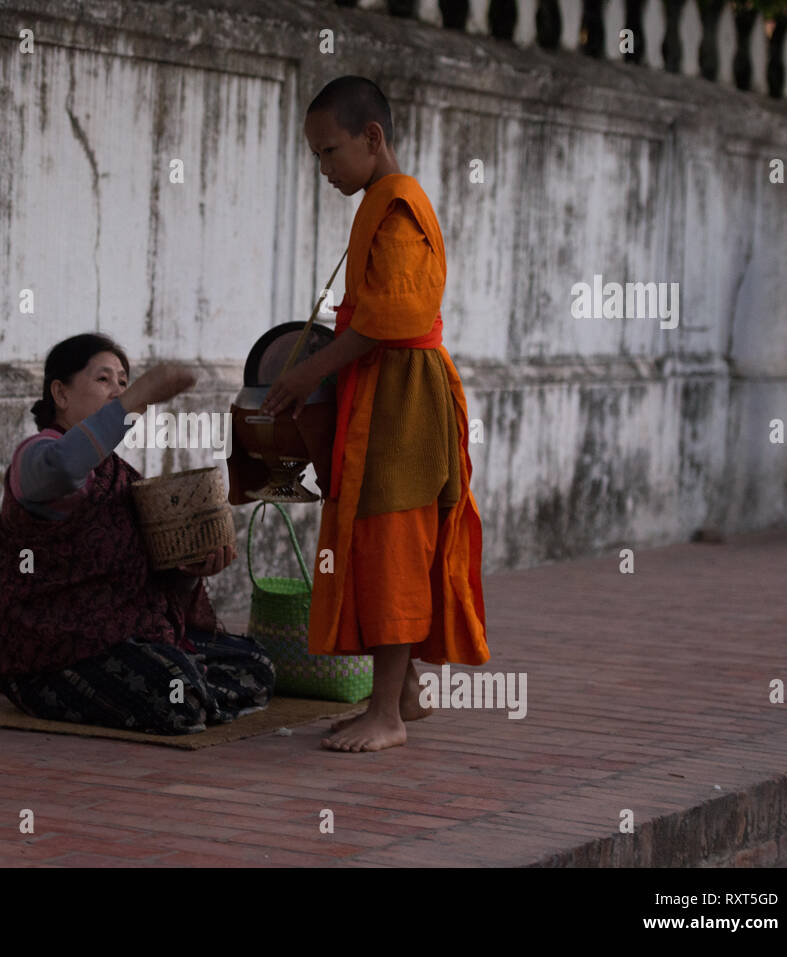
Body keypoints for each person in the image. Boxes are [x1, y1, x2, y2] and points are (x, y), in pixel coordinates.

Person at [261, 76, 488, 753]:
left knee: (394, 540)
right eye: (316, 157)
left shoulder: (399, 209)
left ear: (373, 137)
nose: (324, 169)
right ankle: (406, 693)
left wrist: (309, 370)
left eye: (330, 152)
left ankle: (384, 714)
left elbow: (398, 318)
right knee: (377, 536)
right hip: (383, 388)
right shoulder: (380, 202)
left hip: (405, 395)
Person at [0, 334, 275, 733]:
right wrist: (131, 402)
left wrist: (190, 569)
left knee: (257, 665)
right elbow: (64, 468)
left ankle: (185, 687)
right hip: (56, 651)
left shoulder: (118, 471)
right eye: (103, 379)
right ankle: (186, 690)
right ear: (61, 392)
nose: (118, 390)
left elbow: (146, 573)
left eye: (124, 381)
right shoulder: (37, 455)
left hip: (127, 636)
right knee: (178, 693)